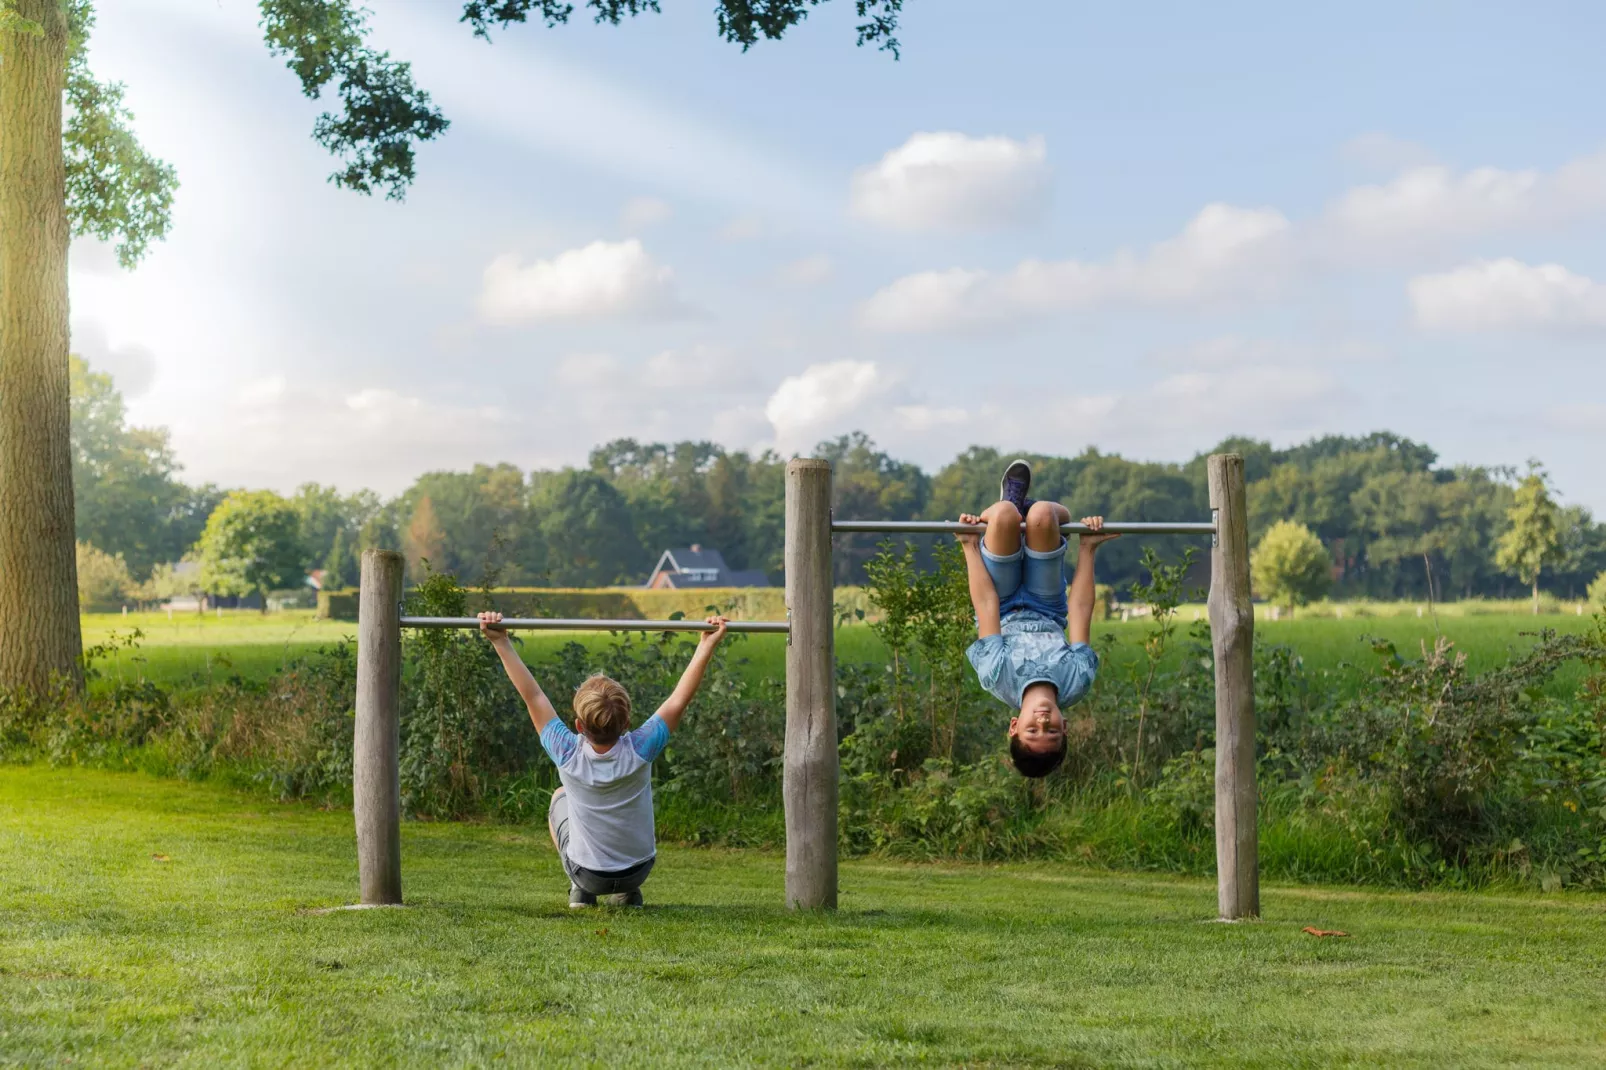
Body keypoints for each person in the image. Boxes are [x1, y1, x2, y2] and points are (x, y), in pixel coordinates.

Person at [477, 610, 730, 907]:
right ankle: (627, 893)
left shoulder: (566, 751)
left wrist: (500, 642)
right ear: (626, 724)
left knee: (560, 796)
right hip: (638, 871)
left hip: (588, 874)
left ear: (579, 726)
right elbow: (678, 699)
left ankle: (580, 890)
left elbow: (533, 697)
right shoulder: (641, 747)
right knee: (579, 804)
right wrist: (706, 644)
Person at [956, 459, 1119, 778]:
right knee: (1045, 514)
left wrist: (969, 546)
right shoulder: (1076, 681)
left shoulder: (998, 677)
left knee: (1003, 517)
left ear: (1014, 726)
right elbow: (1080, 610)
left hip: (1001, 604)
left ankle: (1013, 508)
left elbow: (986, 604)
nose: (1043, 722)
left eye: (1032, 731)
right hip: (1046, 606)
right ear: (1066, 727)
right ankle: (1031, 516)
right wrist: (1087, 549)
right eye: (1052, 732)